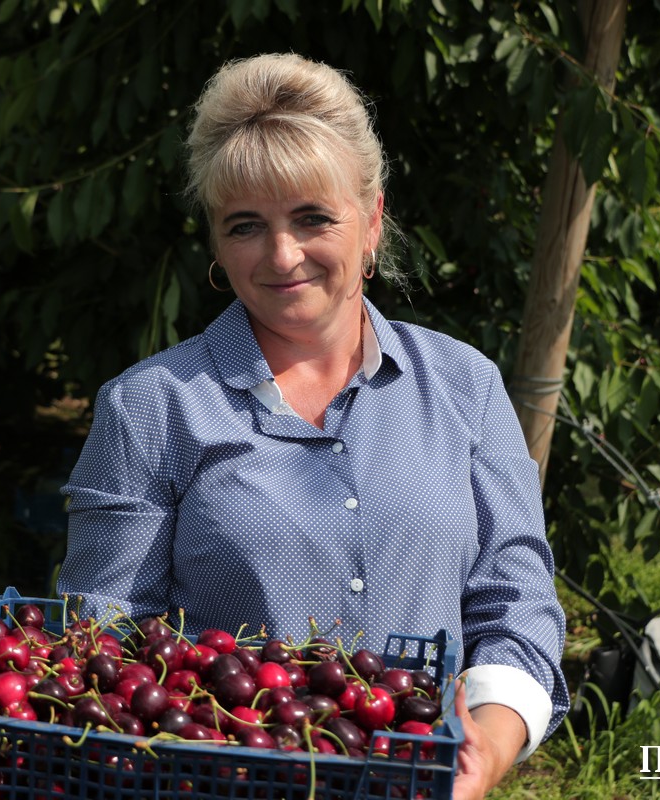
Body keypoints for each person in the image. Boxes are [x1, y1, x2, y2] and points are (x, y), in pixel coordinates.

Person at [57, 52, 568, 796]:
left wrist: (485, 749)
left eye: (312, 218)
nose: (282, 254)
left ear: (372, 221)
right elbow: (104, 638)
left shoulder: (465, 387)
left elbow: (516, 604)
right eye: (246, 226)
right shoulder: (153, 407)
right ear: (216, 245)